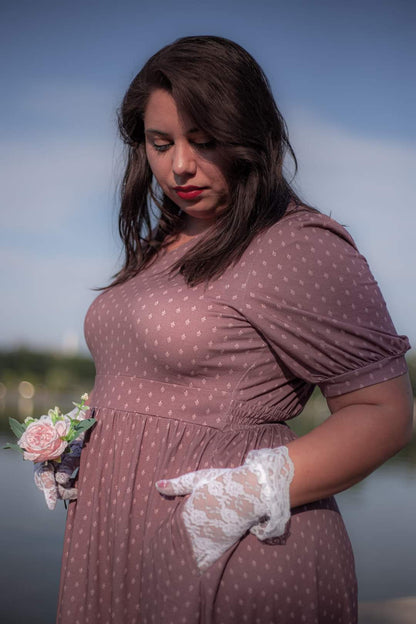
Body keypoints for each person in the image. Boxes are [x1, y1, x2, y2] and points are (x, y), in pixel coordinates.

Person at [36, 36, 412, 624]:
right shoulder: (162, 244)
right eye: (161, 144)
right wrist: (86, 446)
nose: (179, 165)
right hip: (116, 539)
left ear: (251, 138)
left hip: (230, 552)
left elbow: (384, 412)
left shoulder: (297, 244)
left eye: (204, 142)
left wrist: (243, 495)